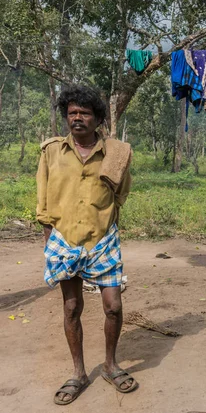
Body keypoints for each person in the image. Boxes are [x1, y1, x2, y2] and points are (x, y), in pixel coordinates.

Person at [36, 85, 137, 405]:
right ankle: (79, 372)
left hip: (103, 239)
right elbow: (43, 192)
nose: (77, 118)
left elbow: (121, 193)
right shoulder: (51, 151)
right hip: (65, 239)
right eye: (72, 113)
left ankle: (110, 365)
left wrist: (104, 218)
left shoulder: (116, 153)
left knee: (114, 306)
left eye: (85, 113)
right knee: (71, 307)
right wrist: (48, 230)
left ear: (98, 119)